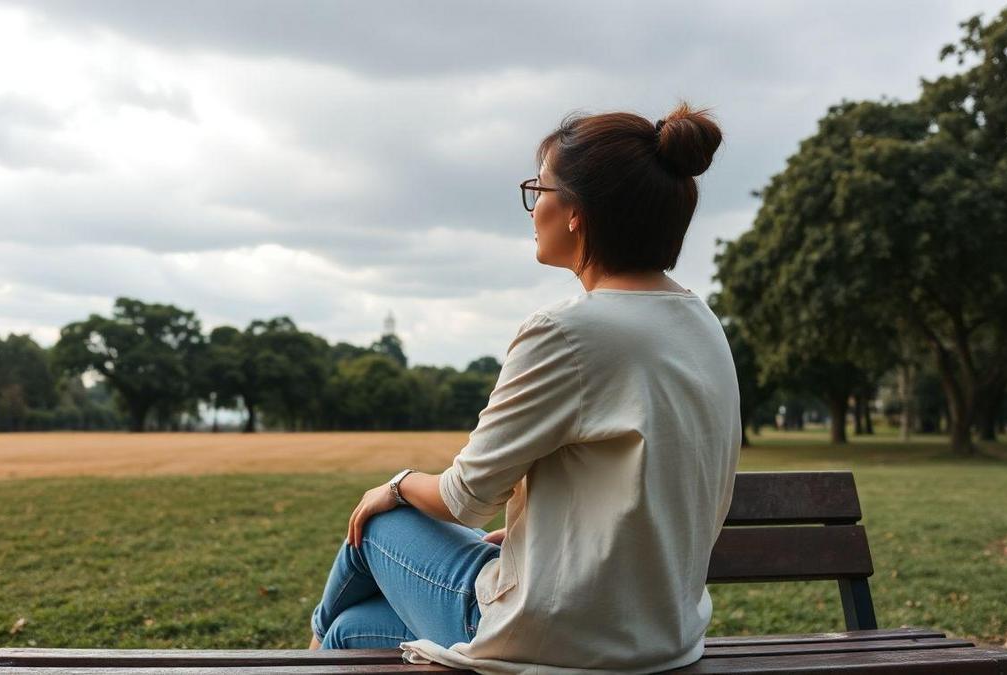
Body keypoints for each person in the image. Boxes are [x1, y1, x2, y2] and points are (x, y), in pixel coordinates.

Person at [308, 102, 739, 674]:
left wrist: (397, 483)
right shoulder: (702, 325)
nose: (533, 207)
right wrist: (523, 541)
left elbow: (464, 499)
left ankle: (306, 648)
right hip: (661, 642)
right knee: (351, 631)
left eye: (540, 189)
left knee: (379, 522)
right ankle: (318, 645)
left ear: (575, 213)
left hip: (555, 638)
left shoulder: (568, 332)